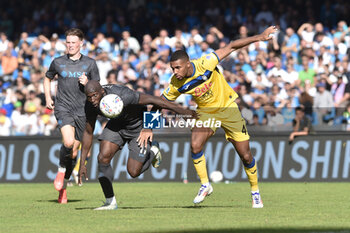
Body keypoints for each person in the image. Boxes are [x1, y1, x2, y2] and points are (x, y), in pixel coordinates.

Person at [161, 26, 278, 208]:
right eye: (172, 68)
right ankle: (205, 184)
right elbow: (161, 102)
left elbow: (231, 46)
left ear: (187, 63)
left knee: (246, 156)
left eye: (177, 67)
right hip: (207, 112)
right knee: (195, 144)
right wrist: (146, 126)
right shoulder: (176, 83)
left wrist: (259, 37)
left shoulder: (206, 62)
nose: (175, 71)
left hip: (228, 108)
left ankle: (255, 192)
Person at [78, 80, 196, 210]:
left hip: (138, 126)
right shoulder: (90, 106)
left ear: (102, 91)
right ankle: (110, 202)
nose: (93, 100)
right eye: (89, 97)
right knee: (102, 158)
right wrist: (82, 162)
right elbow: (88, 132)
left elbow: (156, 101)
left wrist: (184, 112)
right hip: (116, 125)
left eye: (95, 95)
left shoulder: (124, 95)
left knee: (133, 172)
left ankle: (153, 151)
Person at [44, 28, 100, 204]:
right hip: (63, 107)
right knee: (68, 143)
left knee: (73, 153)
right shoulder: (58, 62)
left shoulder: (90, 64)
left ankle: (64, 189)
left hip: (83, 111)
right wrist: (48, 98)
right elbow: (47, 78)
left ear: (81, 44)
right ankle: (61, 171)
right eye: (68, 42)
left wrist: (88, 83)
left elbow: (98, 88)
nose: (70, 45)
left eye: (73, 42)